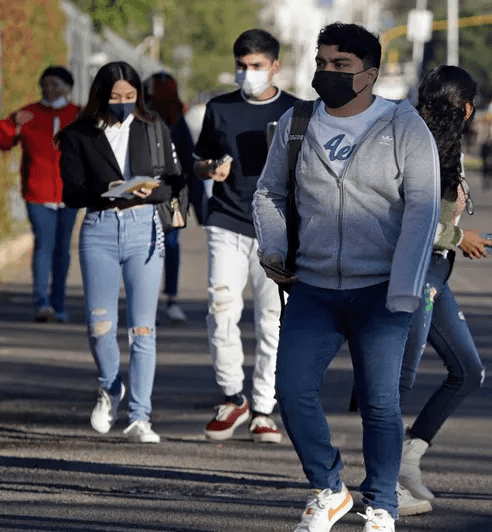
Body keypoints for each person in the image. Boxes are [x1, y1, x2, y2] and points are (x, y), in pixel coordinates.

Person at [253, 22, 440, 532]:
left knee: (380, 404)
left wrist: (405, 288)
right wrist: (274, 249)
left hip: (382, 290)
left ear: (370, 74)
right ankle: (330, 489)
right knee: (292, 393)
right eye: (321, 62)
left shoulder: (403, 126)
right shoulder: (297, 122)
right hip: (312, 287)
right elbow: (269, 192)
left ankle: (381, 504)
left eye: (341, 65)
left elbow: (423, 208)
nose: (327, 72)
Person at [58, 61, 183, 443]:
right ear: (101, 95)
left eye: (130, 96)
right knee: (100, 326)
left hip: (144, 227)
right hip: (99, 229)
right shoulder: (78, 134)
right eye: (116, 96)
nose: (124, 103)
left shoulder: (152, 127)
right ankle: (110, 386)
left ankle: (140, 417)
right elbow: (71, 193)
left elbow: (173, 182)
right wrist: (109, 191)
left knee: (143, 329)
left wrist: (149, 192)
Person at [396, 65, 492, 517]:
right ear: (468, 108)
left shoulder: (447, 144)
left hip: (436, 271)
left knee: (468, 371)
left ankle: (407, 459)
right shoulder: (414, 142)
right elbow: (403, 217)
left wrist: (461, 237)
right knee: (396, 381)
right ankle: (383, 485)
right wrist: (458, 237)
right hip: (413, 273)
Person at [193, 29, 298, 444]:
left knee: (272, 320)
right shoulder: (219, 108)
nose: (247, 72)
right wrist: (209, 169)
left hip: (278, 229)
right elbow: (199, 160)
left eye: (256, 65)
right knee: (220, 310)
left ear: (275, 66)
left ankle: (263, 410)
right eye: (241, 65)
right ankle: (232, 397)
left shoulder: (296, 110)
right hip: (227, 221)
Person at [0, 66, 80, 323]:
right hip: (37, 193)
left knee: (62, 248)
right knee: (43, 245)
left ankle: (58, 303)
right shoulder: (29, 114)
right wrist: (12, 124)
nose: (49, 89)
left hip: (69, 193)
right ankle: (41, 302)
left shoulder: (78, 115)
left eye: (55, 84)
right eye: (45, 84)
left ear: (68, 88)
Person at [144, 71, 195, 324]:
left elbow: (187, 157)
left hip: (172, 193)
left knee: (170, 245)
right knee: (147, 245)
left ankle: (171, 298)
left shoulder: (176, 120)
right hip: (144, 192)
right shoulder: (139, 118)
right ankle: (149, 299)